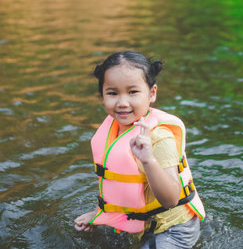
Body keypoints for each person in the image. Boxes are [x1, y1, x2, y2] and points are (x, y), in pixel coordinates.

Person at [74, 51, 205, 248]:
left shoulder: (159, 138)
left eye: (132, 92)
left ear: (152, 94)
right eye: (112, 93)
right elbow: (113, 183)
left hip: (173, 229)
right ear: (102, 95)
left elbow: (170, 199)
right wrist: (98, 214)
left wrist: (148, 160)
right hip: (140, 222)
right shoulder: (113, 128)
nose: (122, 102)